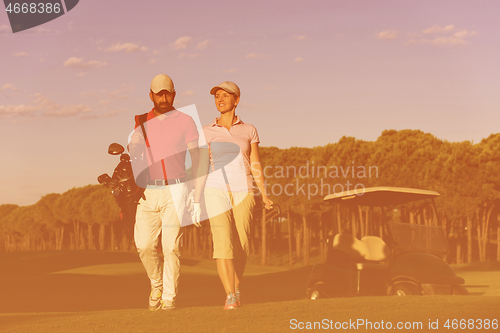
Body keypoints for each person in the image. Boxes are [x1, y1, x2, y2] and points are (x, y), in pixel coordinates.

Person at [191, 81, 273, 310]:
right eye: (217, 95)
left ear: (236, 100)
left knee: (242, 246)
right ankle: (230, 296)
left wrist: (264, 195)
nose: (220, 99)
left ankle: (236, 289)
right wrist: (196, 200)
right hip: (215, 189)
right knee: (222, 244)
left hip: (244, 190)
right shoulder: (207, 131)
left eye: (226, 95)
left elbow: (255, 162)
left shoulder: (249, 130)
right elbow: (201, 167)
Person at [128, 74, 200, 311]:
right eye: (159, 93)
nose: (163, 97)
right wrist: (134, 145)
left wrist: (195, 191)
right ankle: (156, 284)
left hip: (176, 188)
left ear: (174, 93)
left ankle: (169, 298)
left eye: (167, 92)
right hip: (148, 190)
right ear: (151, 95)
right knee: (144, 245)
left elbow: (196, 157)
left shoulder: (186, 120)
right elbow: (134, 149)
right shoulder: (140, 120)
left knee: (172, 248)